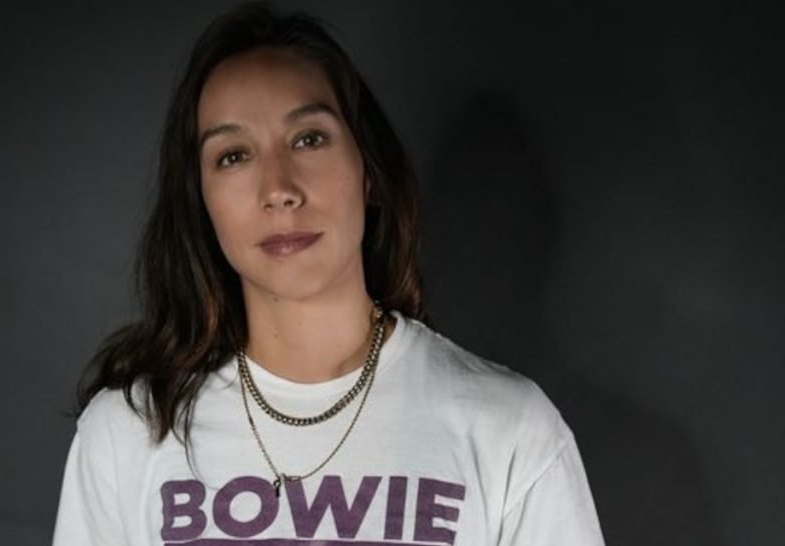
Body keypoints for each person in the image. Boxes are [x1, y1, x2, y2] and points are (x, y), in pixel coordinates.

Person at [52, 3, 605, 545]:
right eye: (233, 156)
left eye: (308, 139)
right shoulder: (127, 431)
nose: (279, 190)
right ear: (201, 201)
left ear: (369, 170)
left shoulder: (508, 429)